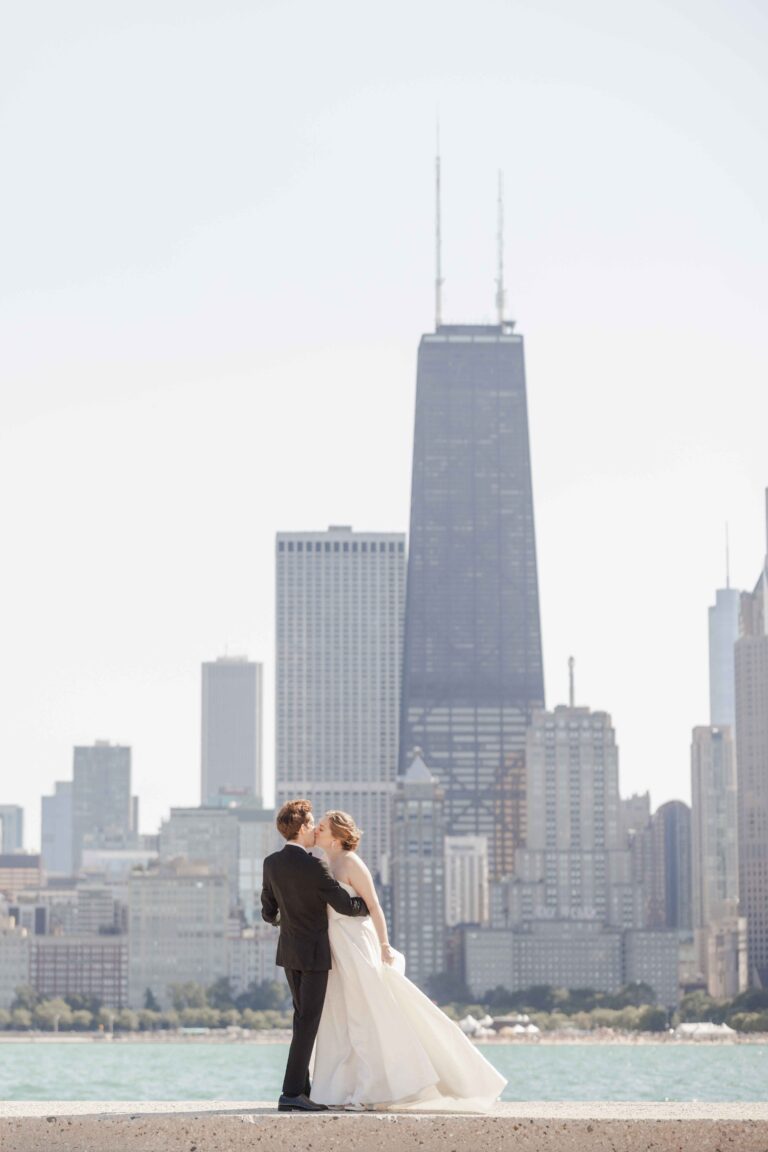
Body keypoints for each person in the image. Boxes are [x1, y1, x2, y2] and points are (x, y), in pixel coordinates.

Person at [310, 809, 507, 1112]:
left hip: (357, 945)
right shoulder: (325, 863)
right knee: (343, 1018)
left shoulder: (351, 863)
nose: (316, 830)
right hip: (337, 947)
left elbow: (374, 906)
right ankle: (341, 1089)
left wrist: (385, 945)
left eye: (321, 827)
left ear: (336, 837)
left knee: (367, 1016)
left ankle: (371, 1090)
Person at [260, 798, 370, 1113]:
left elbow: (269, 912)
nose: (315, 829)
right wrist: (366, 904)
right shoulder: (314, 865)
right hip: (314, 955)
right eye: (312, 824)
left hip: (289, 952)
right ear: (303, 827)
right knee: (307, 1022)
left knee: (302, 1020)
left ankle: (302, 1089)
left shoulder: (271, 863)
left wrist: (288, 919)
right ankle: (291, 1093)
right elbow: (345, 906)